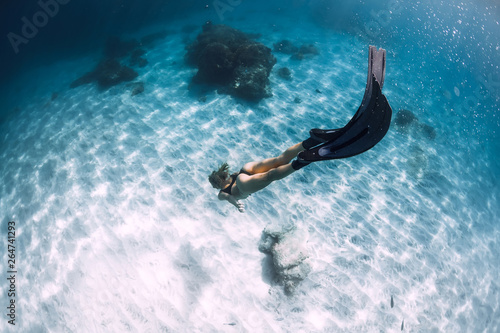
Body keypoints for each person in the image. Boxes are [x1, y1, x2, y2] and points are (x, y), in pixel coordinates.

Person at [209, 46, 393, 212]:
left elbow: (227, 198)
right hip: (245, 169)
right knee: (278, 159)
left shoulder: (221, 193)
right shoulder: (232, 173)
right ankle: (309, 142)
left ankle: (301, 162)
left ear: (218, 185)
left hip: (242, 186)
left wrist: (237, 204)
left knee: (270, 176)